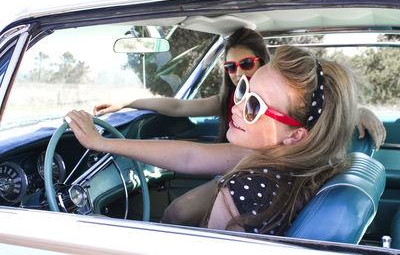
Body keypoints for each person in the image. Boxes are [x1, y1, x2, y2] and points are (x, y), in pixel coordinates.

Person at [92, 28, 385, 226]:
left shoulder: (250, 182)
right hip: (235, 171)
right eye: (232, 69)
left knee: (177, 211)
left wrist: (356, 110)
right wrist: (127, 102)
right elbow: (180, 111)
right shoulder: (244, 115)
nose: (238, 78)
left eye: (246, 64)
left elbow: (316, 108)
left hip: (236, 177)